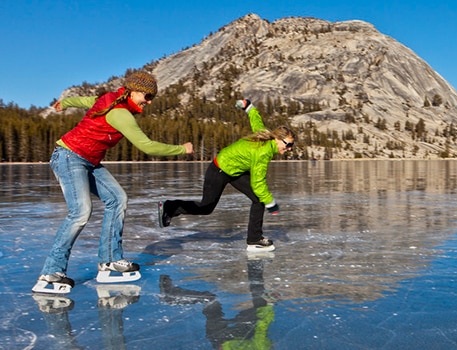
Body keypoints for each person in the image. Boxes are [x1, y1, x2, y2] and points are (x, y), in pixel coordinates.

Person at [32, 71, 194, 294]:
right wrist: (181, 149)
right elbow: (146, 146)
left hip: (88, 161)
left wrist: (66, 102)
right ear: (134, 91)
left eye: (151, 98)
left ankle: (109, 261)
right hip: (69, 156)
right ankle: (51, 273)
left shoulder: (110, 99)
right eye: (146, 97)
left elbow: (85, 101)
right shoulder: (121, 114)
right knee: (80, 212)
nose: (148, 102)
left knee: (117, 199)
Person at [158, 99, 294, 252]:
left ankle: (254, 239)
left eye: (291, 146)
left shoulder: (264, 136)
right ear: (277, 139)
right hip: (219, 170)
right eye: (288, 144)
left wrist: (248, 106)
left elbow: (256, 119)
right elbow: (258, 182)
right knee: (206, 207)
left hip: (234, 171)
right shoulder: (264, 152)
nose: (289, 149)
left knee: (258, 199)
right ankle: (170, 207)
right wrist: (271, 202)